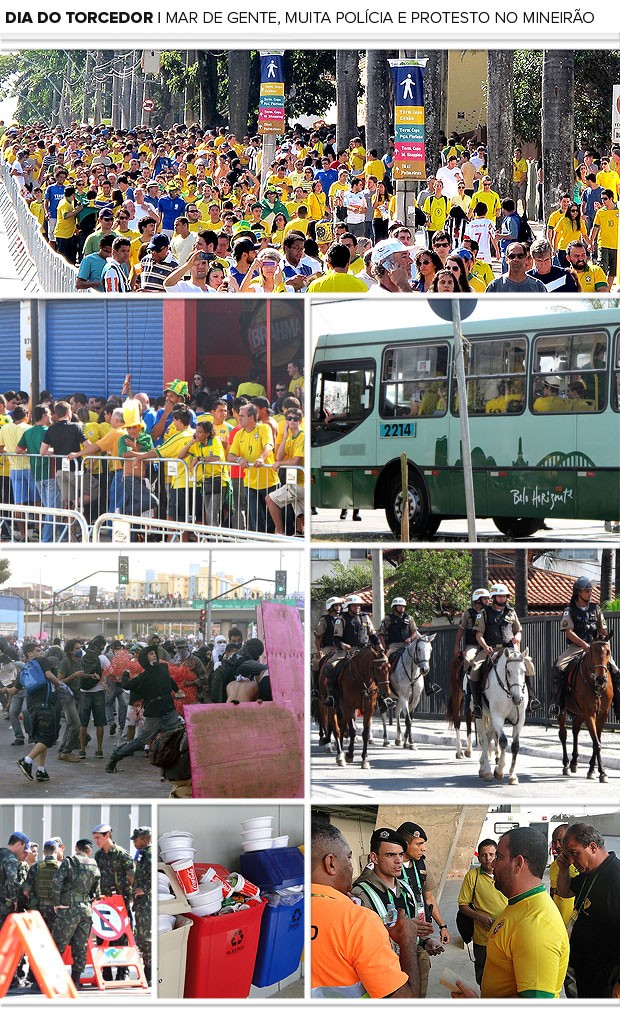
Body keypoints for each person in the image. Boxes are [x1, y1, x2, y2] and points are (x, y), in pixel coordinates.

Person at [453, 827, 569, 999]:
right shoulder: (518, 904)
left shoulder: (537, 926)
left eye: (498, 857)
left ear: (518, 863)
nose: (492, 863)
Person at [311, 820, 420, 998]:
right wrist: (407, 940)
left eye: (400, 854)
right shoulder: (357, 916)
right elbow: (404, 998)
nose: (398, 860)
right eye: (348, 857)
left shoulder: (292, 909)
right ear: (331, 863)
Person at [351, 827, 437, 997]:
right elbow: (361, 943)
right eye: (390, 855)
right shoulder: (360, 894)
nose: (398, 860)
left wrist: (425, 941)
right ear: (374, 858)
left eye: (400, 854)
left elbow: (413, 924)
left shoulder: (405, 888)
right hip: (386, 971)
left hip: (414, 962)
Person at [554, 822, 620, 998]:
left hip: (606, 977)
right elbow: (564, 891)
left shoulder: (615, 878)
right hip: (584, 969)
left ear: (592, 847)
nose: (572, 861)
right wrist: (563, 868)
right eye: (569, 856)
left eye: (575, 854)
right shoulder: (588, 874)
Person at [549, 576, 620, 719]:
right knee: (559, 666)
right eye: (587, 591)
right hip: (576, 647)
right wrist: (583, 644)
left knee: (615, 670)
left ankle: (618, 706)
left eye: (590, 591)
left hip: (595, 648)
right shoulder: (569, 610)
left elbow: (603, 630)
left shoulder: (596, 609)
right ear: (578, 593)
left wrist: (603, 642)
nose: (590, 593)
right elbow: (568, 632)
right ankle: (558, 704)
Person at [105, 646, 183, 773]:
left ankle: (171, 767)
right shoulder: (144, 677)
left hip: (169, 709)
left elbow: (170, 679)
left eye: (154, 653)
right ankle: (115, 756)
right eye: (151, 654)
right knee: (141, 741)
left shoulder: (163, 668)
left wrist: (177, 690)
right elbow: (126, 685)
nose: (154, 655)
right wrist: (125, 674)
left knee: (176, 737)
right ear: (144, 659)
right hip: (154, 714)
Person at [472, 582, 540, 716]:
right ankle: (477, 705)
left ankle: (532, 698)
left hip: (510, 650)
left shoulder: (511, 612)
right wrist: (485, 647)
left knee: (528, 664)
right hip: (490, 650)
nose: (503, 599)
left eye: (505, 596)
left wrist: (518, 638)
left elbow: (518, 630)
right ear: (494, 597)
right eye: (500, 596)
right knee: (475, 669)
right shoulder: (483, 613)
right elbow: (478, 634)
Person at [397, 819, 451, 991]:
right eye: (419, 844)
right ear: (405, 844)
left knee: (420, 988)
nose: (423, 848)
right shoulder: (390, 867)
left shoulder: (421, 865)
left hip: (420, 940)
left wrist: (442, 926)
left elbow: (429, 899)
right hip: (398, 941)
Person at [50, 839, 101, 990]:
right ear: (89, 851)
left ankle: (53, 980)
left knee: (58, 944)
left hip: (68, 908)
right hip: (86, 909)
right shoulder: (93, 864)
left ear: (76, 848)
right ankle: (76, 981)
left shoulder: (70, 861)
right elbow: (97, 891)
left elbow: (56, 881)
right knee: (81, 945)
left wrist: (56, 902)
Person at [457, 838, 508, 985]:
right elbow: (463, 905)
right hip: (483, 938)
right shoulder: (473, 876)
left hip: (506, 938)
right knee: (483, 977)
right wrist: (479, 917)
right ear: (478, 856)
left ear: (497, 855)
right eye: (484, 855)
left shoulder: (506, 875)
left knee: (504, 979)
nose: (488, 859)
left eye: (491, 854)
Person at [322, 595, 385, 708]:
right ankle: (332, 696)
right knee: (330, 666)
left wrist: (379, 646)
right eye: (355, 605)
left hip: (364, 650)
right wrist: (343, 645)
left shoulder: (365, 618)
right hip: (346, 651)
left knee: (381, 665)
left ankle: (382, 697)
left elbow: (373, 635)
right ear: (348, 606)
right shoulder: (340, 619)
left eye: (359, 605)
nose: (357, 607)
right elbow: (336, 639)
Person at [15, 642, 63, 783]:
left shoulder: (23, 670)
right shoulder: (41, 661)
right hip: (45, 705)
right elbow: (49, 675)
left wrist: (7, 695)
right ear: (30, 653)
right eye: (38, 650)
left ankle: (41, 770)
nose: (41, 653)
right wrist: (60, 685)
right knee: (49, 737)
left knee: (41, 738)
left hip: (32, 707)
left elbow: (14, 689)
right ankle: (27, 760)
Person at [91, 822, 134, 980]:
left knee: (122, 935)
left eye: (98, 838)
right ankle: (106, 972)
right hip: (104, 901)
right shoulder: (99, 856)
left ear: (107, 836)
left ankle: (123, 972)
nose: (96, 841)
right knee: (103, 936)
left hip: (120, 901)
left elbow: (131, 877)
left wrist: (131, 900)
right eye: (94, 838)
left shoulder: (122, 854)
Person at [378, 597, 440, 694]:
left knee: (421, 660)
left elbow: (415, 632)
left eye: (403, 606)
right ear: (395, 607)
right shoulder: (387, 619)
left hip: (408, 645)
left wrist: (411, 639)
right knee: (385, 663)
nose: (402, 608)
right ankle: (383, 691)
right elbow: (381, 634)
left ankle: (429, 686)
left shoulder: (409, 618)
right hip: (394, 646)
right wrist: (384, 647)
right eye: (400, 606)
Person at [454, 588, 491, 683]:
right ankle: (466, 684)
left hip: (487, 645)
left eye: (488, 598)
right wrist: (457, 647)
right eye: (485, 598)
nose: (488, 601)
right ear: (478, 599)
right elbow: (460, 630)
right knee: (468, 658)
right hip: (473, 645)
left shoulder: (489, 612)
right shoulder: (467, 614)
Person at [131, 827, 152, 985]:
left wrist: (145, 889)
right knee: (142, 937)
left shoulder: (149, 855)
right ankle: (147, 973)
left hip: (146, 903)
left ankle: (149, 974)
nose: (133, 842)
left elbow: (154, 874)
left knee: (147, 938)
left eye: (136, 839)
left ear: (144, 840)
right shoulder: (143, 855)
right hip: (141, 904)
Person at [0, 832, 29, 929]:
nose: (24, 853)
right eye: (24, 849)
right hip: (3, 905)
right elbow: (12, 880)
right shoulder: (11, 859)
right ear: (19, 844)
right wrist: (14, 899)